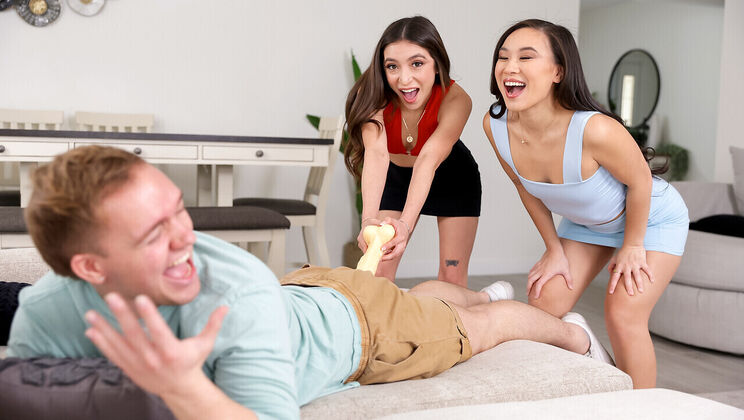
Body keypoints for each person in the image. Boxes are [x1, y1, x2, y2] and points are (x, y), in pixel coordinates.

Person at [8, 146, 609, 419]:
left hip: (359, 330)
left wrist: (182, 387)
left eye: (178, 211)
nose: (185, 239)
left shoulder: (232, 292)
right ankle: (478, 292)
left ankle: (576, 336)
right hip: (306, 292)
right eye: (151, 234)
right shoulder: (43, 312)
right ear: (89, 268)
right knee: (419, 298)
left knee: (478, 328)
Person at [483, 19, 689, 389]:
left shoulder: (594, 129)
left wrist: (633, 245)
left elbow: (641, 180)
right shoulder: (496, 124)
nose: (510, 67)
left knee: (623, 315)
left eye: (526, 57)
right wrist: (553, 249)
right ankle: (589, 350)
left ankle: (640, 409)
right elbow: (522, 185)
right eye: (503, 57)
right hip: (587, 224)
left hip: (652, 220)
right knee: (544, 305)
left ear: (558, 71)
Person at [344, 16, 481, 286]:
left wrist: (405, 225)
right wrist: (368, 220)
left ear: (437, 64)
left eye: (417, 63)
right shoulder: (372, 95)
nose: (404, 79)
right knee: (378, 273)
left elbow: (429, 159)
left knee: (451, 276)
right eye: (392, 66)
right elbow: (377, 155)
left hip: (452, 176)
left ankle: (485, 298)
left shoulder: (457, 99)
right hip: (395, 176)